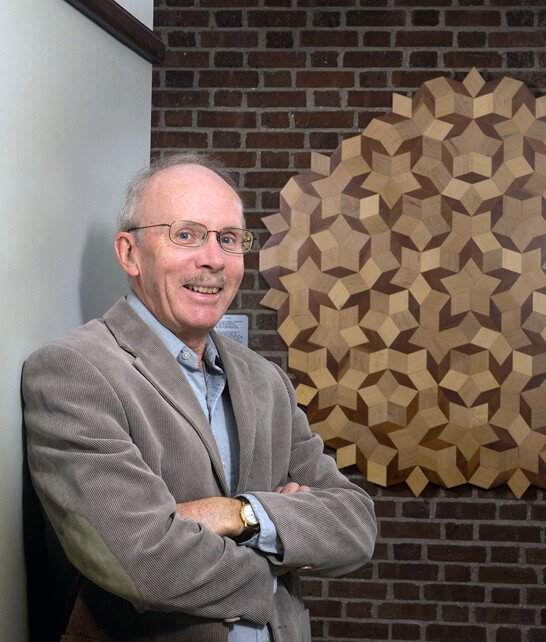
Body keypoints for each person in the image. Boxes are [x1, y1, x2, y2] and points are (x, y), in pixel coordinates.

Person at [22, 153, 378, 641]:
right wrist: (282, 551)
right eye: (186, 234)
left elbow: (355, 526)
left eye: (228, 239)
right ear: (130, 253)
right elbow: (141, 564)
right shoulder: (75, 371)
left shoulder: (265, 380)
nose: (213, 258)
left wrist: (241, 514)